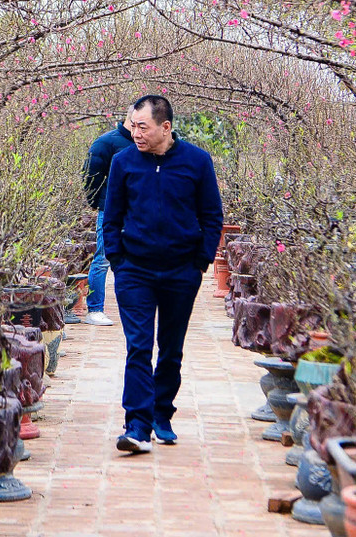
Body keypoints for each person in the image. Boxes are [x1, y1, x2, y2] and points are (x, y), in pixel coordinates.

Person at [102, 95, 223, 453]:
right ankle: (137, 426)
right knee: (139, 346)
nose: (135, 133)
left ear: (165, 127)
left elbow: (212, 215)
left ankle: (162, 413)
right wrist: (118, 260)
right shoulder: (123, 162)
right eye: (132, 126)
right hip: (134, 271)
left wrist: (200, 261)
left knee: (171, 348)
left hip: (181, 271)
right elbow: (111, 216)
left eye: (143, 127)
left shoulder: (197, 162)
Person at [80, 104, 137, 326]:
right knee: (103, 259)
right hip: (112, 211)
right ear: (130, 119)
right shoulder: (107, 142)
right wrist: (99, 202)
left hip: (139, 212)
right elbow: (90, 176)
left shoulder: (146, 144)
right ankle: (94, 309)